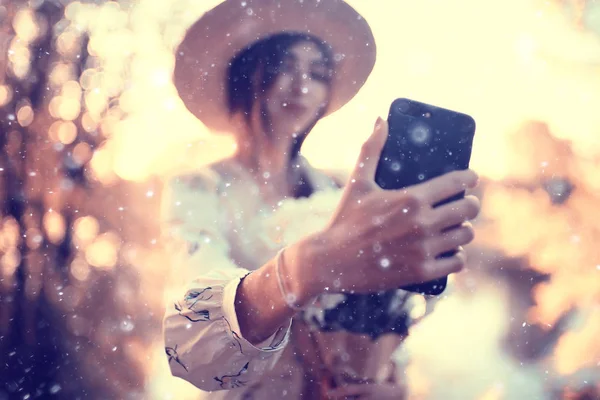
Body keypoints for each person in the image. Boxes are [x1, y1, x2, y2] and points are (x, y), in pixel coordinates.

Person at [161, 0, 481, 398]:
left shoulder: (338, 190)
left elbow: (385, 321)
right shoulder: (199, 190)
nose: (302, 85)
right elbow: (192, 336)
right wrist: (310, 267)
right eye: (283, 66)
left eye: (318, 73)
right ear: (246, 76)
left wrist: (389, 384)